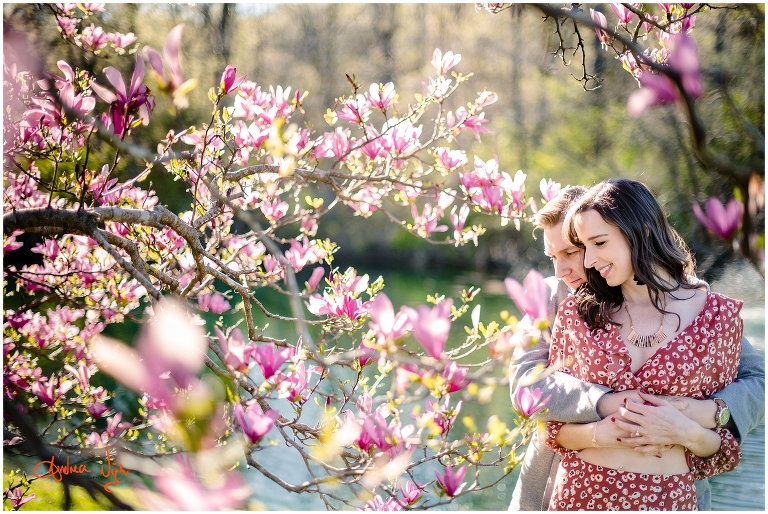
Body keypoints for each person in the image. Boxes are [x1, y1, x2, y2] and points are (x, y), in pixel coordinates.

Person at [508, 183, 765, 510]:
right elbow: (526, 384)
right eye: (557, 255)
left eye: (572, 251)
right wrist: (606, 406)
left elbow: (755, 381)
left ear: (634, 232)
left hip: (669, 491)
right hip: (566, 484)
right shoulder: (559, 301)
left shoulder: (706, 311)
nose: (574, 265)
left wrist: (701, 413)